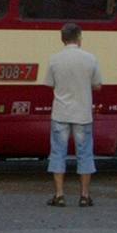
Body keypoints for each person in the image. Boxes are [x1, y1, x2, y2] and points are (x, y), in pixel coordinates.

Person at [43, 23, 102, 207]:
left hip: (61, 112)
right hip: (83, 113)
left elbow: (49, 83)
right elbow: (97, 85)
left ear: (62, 39)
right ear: (79, 37)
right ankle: (84, 195)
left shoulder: (54, 59)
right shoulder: (90, 59)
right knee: (84, 153)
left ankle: (59, 194)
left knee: (58, 153)